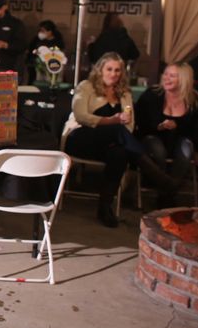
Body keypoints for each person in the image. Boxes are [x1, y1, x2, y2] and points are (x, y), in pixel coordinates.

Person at [64, 52, 181, 227]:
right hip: (82, 137)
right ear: (100, 70)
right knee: (117, 130)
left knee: (119, 153)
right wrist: (111, 121)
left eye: (117, 70)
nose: (113, 74)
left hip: (110, 143)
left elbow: (129, 125)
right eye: (109, 69)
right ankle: (159, 177)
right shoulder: (86, 86)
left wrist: (117, 124)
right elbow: (81, 116)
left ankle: (105, 208)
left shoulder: (124, 92)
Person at [135, 63, 198, 202]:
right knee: (158, 149)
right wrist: (158, 127)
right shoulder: (152, 95)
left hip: (179, 141)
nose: (166, 78)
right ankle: (165, 186)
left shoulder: (194, 101)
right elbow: (140, 124)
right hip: (153, 137)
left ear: (183, 79)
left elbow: (196, 130)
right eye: (165, 74)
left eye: (172, 76)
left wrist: (178, 127)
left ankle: (168, 193)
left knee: (186, 148)